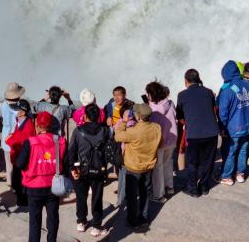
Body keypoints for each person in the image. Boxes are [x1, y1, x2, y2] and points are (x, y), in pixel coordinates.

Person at [17, 111, 67, 242]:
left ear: (37, 125)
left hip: (34, 187)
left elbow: (20, 163)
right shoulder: (60, 141)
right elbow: (65, 163)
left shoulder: (30, 142)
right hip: (53, 186)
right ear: (50, 125)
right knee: (53, 218)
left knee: (34, 221)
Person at [114, 103, 161, 231]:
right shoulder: (157, 128)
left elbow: (117, 136)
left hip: (133, 168)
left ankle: (133, 220)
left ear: (139, 117)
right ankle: (144, 218)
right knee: (145, 192)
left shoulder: (132, 131)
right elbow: (159, 142)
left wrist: (124, 121)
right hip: (148, 166)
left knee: (132, 195)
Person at [175, 68, 219, 197]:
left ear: (186, 81)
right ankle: (205, 186)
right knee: (208, 161)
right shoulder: (209, 92)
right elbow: (212, 108)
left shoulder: (182, 95)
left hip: (194, 133)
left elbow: (180, 115)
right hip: (211, 132)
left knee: (192, 162)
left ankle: (193, 189)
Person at [67, 103, 109, 238]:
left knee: (81, 196)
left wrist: (72, 168)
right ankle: (96, 226)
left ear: (85, 116)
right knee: (97, 197)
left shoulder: (78, 131)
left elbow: (71, 151)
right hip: (98, 169)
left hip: (81, 169)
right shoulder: (104, 131)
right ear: (98, 117)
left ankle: (81, 221)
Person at [218, 61, 249, 186]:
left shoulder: (227, 90)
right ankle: (240, 174)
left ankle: (227, 176)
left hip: (233, 128)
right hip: (248, 125)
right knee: (243, 150)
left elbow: (223, 112)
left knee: (230, 152)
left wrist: (221, 127)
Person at [146, 81, 177, 199]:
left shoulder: (152, 109)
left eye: (148, 93)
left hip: (159, 142)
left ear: (152, 94)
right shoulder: (170, 103)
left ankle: (159, 195)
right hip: (172, 138)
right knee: (167, 163)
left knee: (157, 167)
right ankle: (169, 187)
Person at [5, 99, 35, 208]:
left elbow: (23, 143)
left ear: (22, 112)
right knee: (17, 181)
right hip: (18, 157)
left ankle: (23, 203)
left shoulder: (28, 125)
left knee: (21, 182)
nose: (14, 111)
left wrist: (8, 140)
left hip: (21, 158)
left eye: (16, 109)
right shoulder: (21, 122)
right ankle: (21, 201)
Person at [0, 82, 25, 183]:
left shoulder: (1, 105)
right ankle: (17, 183)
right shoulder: (18, 108)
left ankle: (9, 182)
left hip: (5, 136)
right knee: (18, 163)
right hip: (16, 136)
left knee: (9, 163)